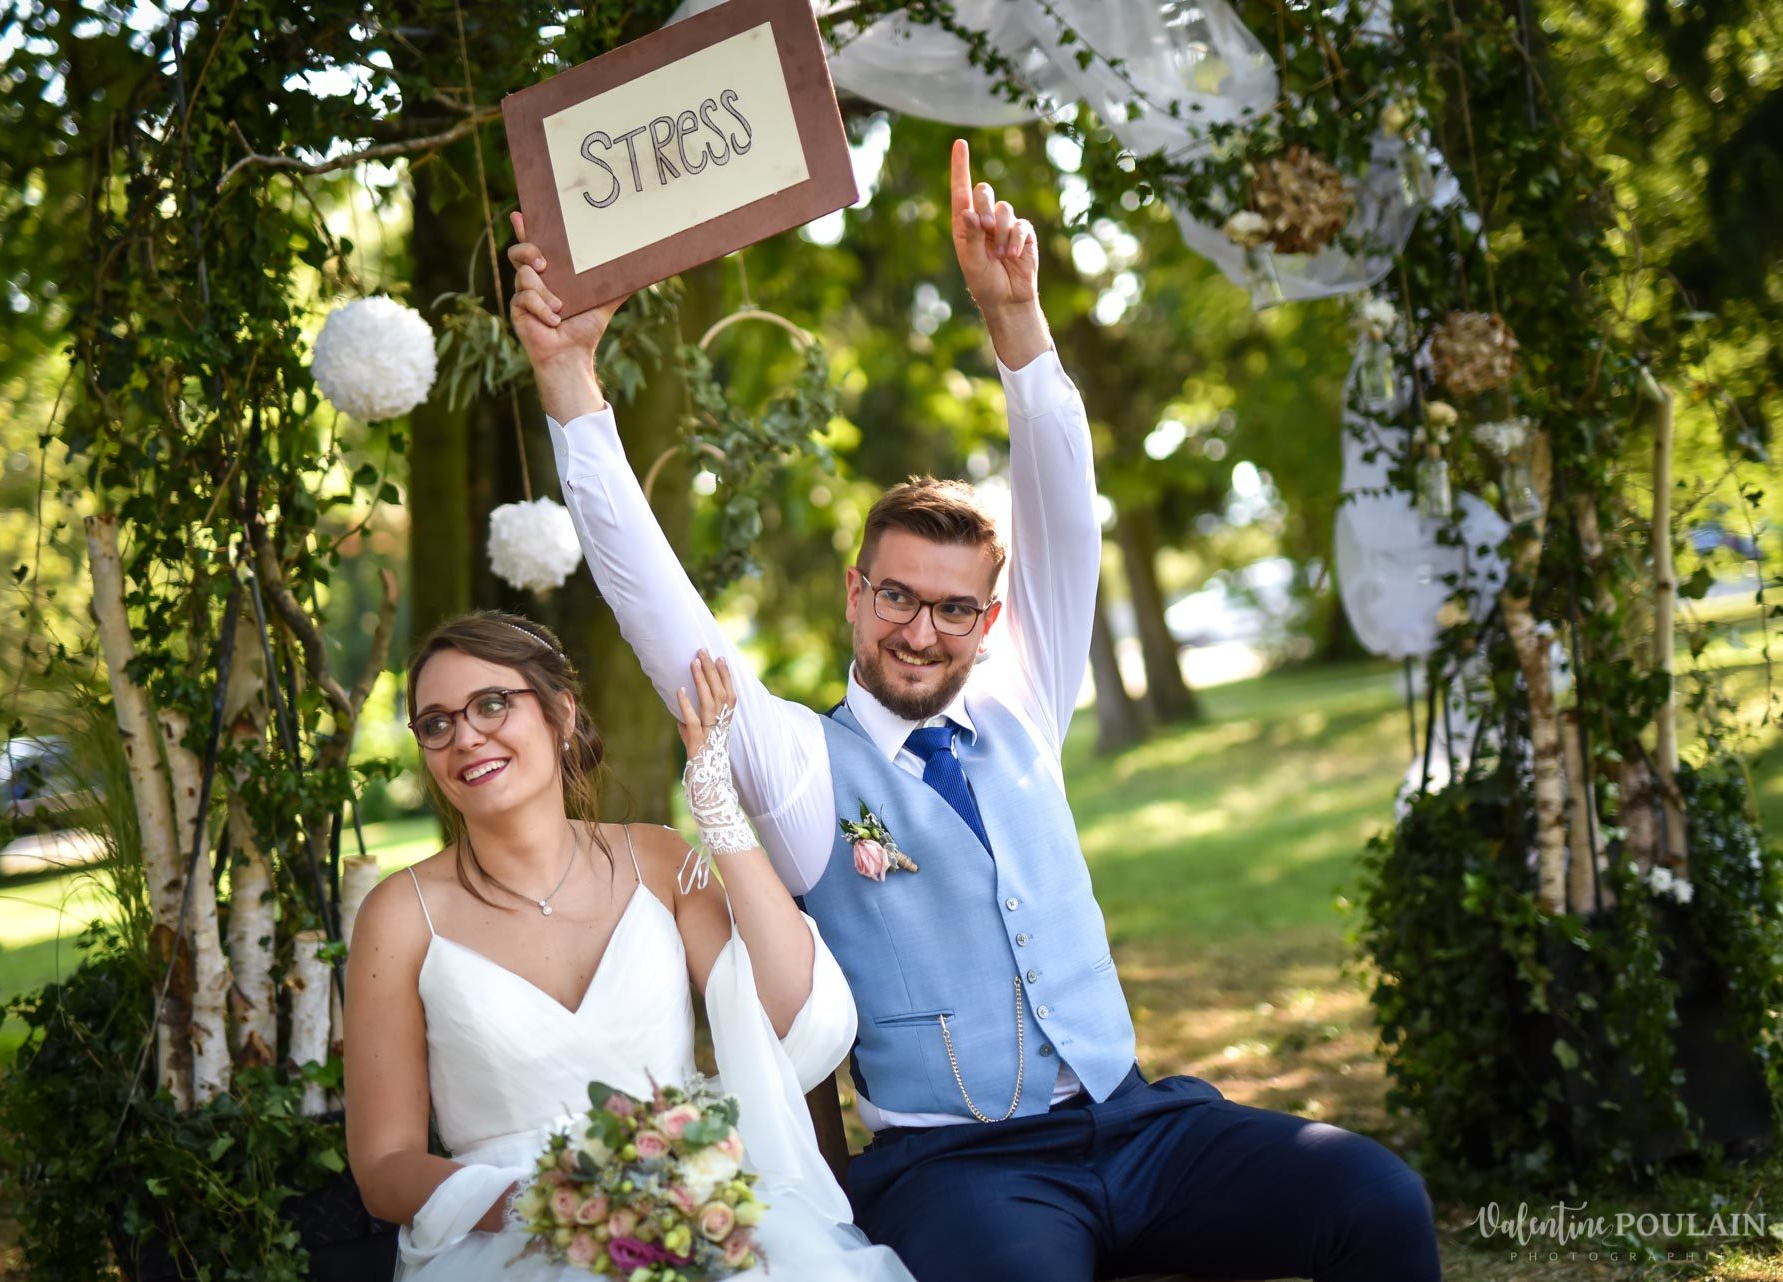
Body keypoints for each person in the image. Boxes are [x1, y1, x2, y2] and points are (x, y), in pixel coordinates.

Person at [506, 136, 1444, 1282]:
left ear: (990, 622)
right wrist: (570, 385)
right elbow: (653, 597)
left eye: (954, 608)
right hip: (964, 1167)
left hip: (1139, 1126)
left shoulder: (1024, 705)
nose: (920, 629)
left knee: (1376, 1199)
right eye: (896, 595)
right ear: (857, 595)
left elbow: (1066, 516)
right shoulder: (801, 762)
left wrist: (1019, 328)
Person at [344, 613, 915, 1280]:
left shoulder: (656, 860)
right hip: (506, 1236)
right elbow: (385, 1167)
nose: (465, 736)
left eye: (492, 704)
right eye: (436, 723)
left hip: (686, 1203)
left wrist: (716, 808)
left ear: (561, 712)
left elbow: (794, 1016)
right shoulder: (399, 915)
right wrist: (548, 1204)